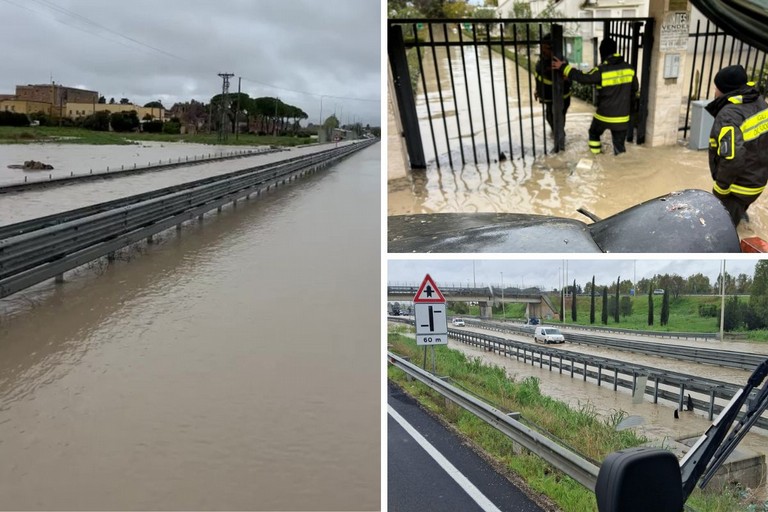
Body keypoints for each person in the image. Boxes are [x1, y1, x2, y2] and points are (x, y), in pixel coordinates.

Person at [705, 64, 768, 226]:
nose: (714, 91)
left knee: (721, 230)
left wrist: (720, 190)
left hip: (738, 188)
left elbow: (732, 158)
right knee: (736, 213)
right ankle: (739, 216)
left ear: (724, 90)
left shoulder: (729, 115)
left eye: (716, 87)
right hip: (756, 181)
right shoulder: (759, 102)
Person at [552, 38, 637, 155]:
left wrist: (563, 67)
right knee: (619, 148)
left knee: (594, 133)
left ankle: (596, 156)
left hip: (604, 116)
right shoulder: (629, 68)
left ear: (602, 53)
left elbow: (583, 77)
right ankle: (619, 168)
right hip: (622, 118)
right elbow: (634, 90)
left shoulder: (601, 70)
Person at [534, 33, 571, 148]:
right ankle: (557, 139)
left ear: (551, 48)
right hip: (548, 97)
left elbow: (568, 78)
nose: (541, 50)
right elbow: (539, 75)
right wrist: (537, 89)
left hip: (560, 98)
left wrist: (565, 77)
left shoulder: (560, 62)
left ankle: (560, 147)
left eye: (544, 48)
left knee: (558, 121)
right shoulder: (543, 59)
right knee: (550, 118)